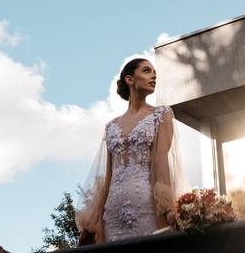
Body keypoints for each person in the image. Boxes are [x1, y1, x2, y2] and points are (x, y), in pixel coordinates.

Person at [76, 58, 185, 243]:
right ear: (130, 78)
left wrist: (168, 208)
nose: (153, 76)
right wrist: (94, 219)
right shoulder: (111, 126)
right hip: (113, 213)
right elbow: (109, 177)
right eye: (147, 71)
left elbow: (161, 161)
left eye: (154, 73)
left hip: (146, 207)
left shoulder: (161, 115)